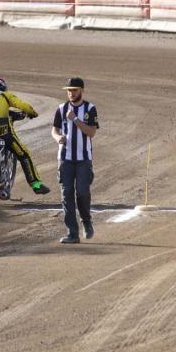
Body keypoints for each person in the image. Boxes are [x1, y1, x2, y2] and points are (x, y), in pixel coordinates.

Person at [52, 77, 99, 242]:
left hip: (83, 158)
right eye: (69, 90)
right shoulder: (61, 108)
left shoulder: (90, 108)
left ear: (81, 90)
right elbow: (54, 130)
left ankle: (86, 221)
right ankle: (72, 233)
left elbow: (91, 132)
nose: (71, 93)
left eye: (74, 90)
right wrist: (58, 138)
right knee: (66, 194)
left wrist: (75, 119)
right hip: (65, 158)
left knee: (82, 192)